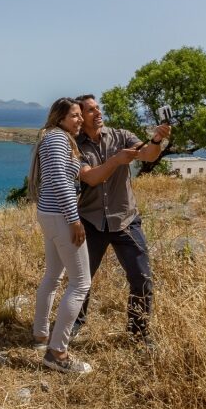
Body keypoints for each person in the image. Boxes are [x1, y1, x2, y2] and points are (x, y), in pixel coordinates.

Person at [72, 94, 171, 347]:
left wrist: (157, 139)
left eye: (98, 107)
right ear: (81, 117)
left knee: (142, 277)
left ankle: (138, 333)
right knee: (81, 280)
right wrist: (116, 160)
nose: (98, 112)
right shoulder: (75, 146)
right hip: (91, 222)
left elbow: (148, 155)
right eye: (91, 110)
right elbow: (91, 178)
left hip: (126, 220)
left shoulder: (121, 136)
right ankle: (74, 325)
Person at [29, 97, 93, 374]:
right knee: (80, 283)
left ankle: (41, 335)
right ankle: (57, 354)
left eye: (81, 115)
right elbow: (58, 179)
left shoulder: (56, 138)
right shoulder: (57, 138)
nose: (80, 120)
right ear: (60, 118)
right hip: (61, 217)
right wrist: (74, 219)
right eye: (75, 116)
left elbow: (69, 175)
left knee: (53, 276)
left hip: (50, 215)